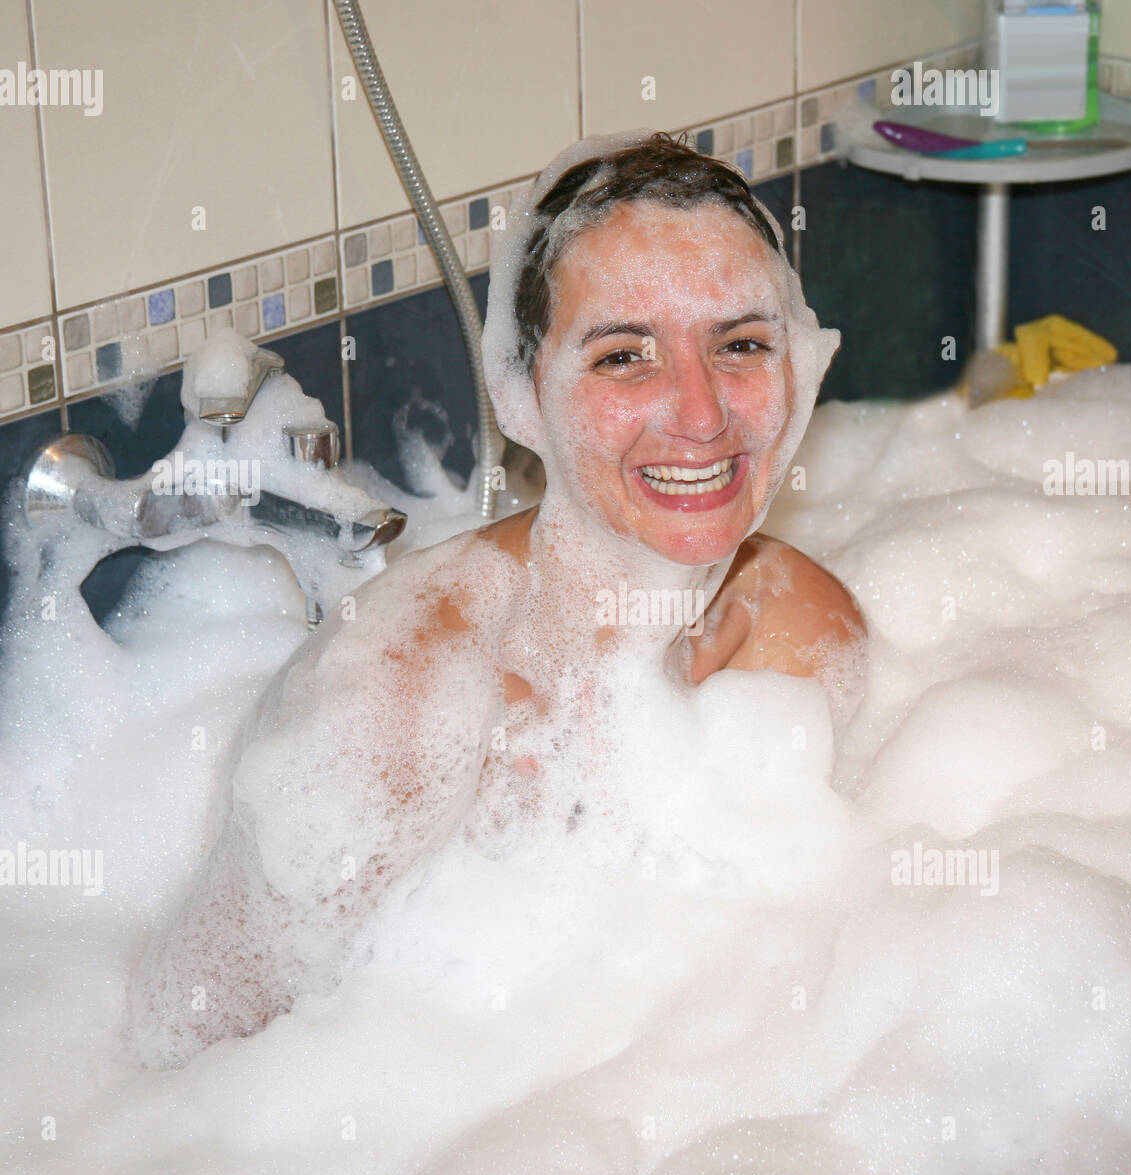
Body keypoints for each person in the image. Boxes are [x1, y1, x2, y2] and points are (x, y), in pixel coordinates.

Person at [129, 130, 867, 1065]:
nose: (701, 413)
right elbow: (184, 1071)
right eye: (623, 357)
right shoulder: (398, 712)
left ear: (799, 368)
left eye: (743, 345)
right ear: (522, 395)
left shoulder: (795, 623)